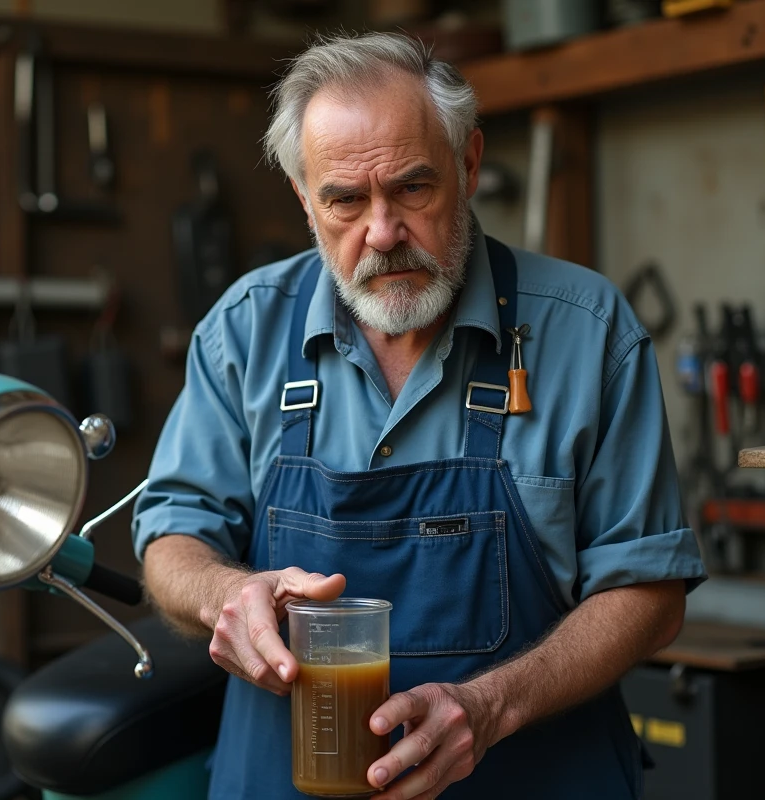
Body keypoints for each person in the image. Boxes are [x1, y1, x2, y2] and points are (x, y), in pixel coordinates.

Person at [131, 30, 706, 800]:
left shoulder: (586, 330)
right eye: (343, 200)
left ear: (467, 167)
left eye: (412, 189)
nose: (382, 232)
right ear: (305, 198)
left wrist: (490, 706)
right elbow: (173, 536)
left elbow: (650, 593)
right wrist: (222, 597)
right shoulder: (245, 331)